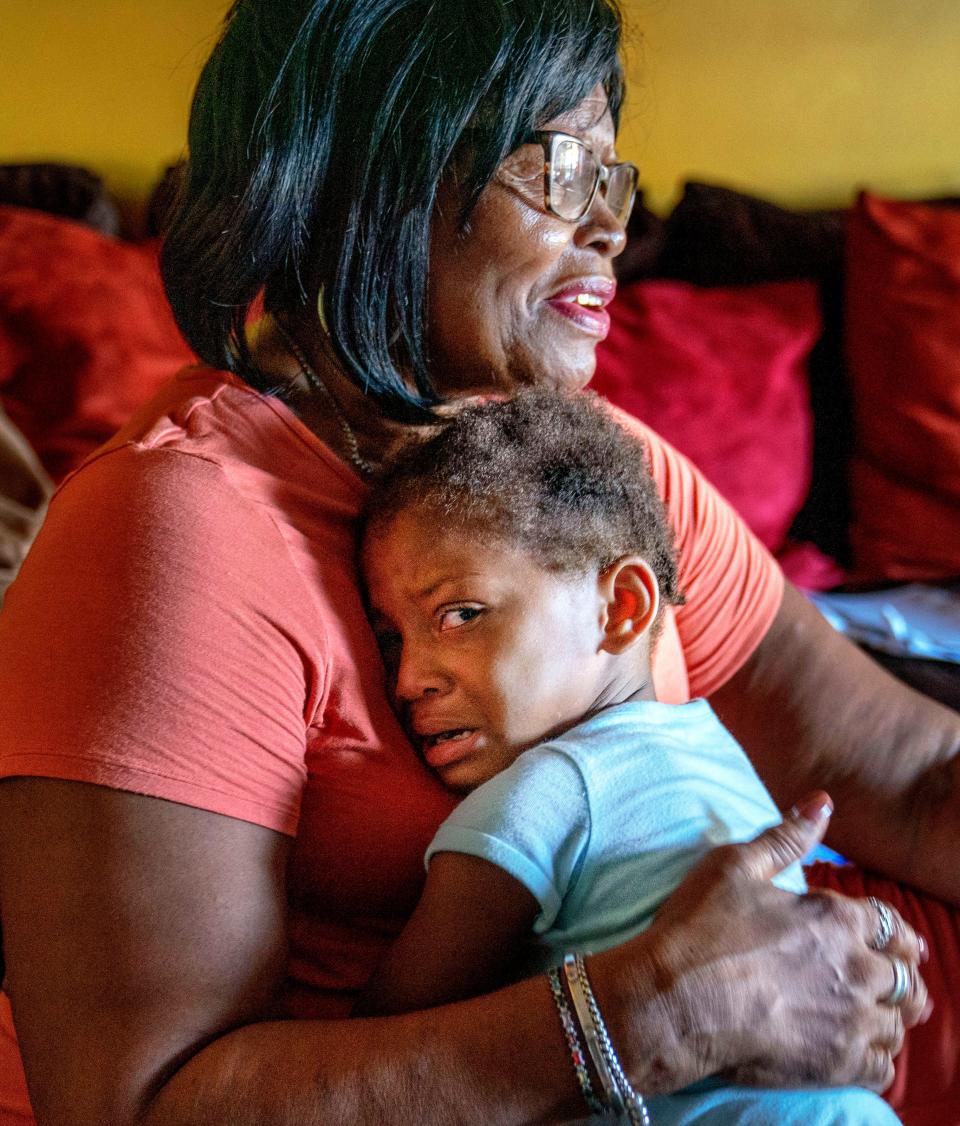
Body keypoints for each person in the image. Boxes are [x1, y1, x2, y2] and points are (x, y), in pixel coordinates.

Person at [0, 1, 950, 1123]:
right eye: (557, 168)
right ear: (369, 176)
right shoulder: (177, 526)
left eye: (612, 177)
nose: (607, 226)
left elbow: (906, 771)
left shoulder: (579, 472)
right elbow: (134, 1103)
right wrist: (646, 1017)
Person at [356, 388, 901, 1125]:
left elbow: (390, 1034)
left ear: (622, 607)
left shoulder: (544, 793)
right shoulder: (717, 747)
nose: (408, 677)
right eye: (391, 639)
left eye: (461, 615)